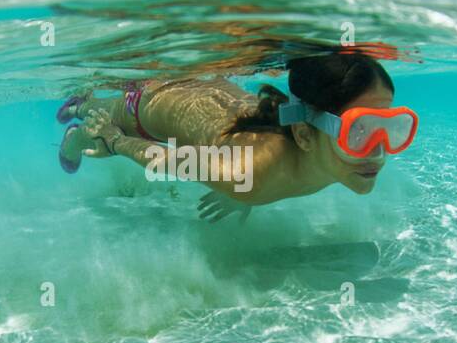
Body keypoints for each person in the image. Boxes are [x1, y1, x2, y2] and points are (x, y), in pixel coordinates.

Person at [56, 51, 418, 221]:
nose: (379, 152)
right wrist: (115, 141)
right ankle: (80, 118)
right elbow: (166, 161)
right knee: (97, 116)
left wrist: (246, 196)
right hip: (153, 105)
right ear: (305, 137)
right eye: (358, 132)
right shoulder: (247, 175)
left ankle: (81, 111)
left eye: (390, 129)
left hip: (205, 88)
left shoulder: (327, 157)